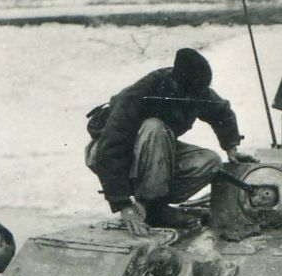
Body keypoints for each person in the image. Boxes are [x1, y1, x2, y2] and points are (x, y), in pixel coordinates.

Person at [86, 47, 257, 235]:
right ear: (175, 82)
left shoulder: (197, 90)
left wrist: (231, 148)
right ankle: (153, 207)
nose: (193, 98)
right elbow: (109, 150)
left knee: (210, 161)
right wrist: (123, 205)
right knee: (155, 127)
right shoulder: (142, 92)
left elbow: (221, 113)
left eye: (198, 93)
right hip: (108, 151)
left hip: (153, 154)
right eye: (189, 93)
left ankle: (153, 205)